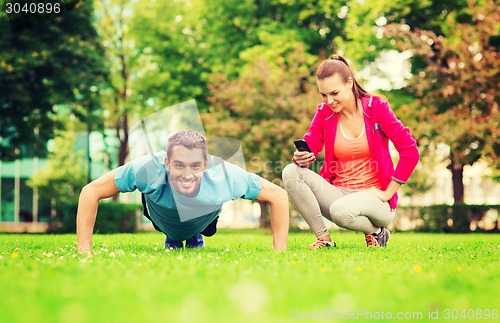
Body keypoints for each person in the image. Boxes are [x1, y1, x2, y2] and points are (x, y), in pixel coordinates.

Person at [282, 54, 420, 248]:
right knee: (290, 171)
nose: (329, 100)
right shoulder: (324, 113)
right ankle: (325, 239)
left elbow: (410, 151)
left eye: (334, 93)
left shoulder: (377, 108)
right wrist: (303, 156)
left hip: (375, 199)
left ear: (349, 83)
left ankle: (378, 231)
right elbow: (312, 143)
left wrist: (388, 193)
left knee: (340, 210)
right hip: (338, 193)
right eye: (323, 95)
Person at [77, 130, 289, 252]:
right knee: (171, 221)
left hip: (204, 215)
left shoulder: (224, 175)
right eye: (179, 165)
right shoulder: (146, 170)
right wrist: (84, 251)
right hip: (161, 212)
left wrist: (279, 254)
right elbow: (90, 191)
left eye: (195, 166)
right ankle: (173, 235)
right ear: (166, 162)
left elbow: (277, 195)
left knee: (198, 212)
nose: (187, 174)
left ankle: (193, 234)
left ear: (206, 163)